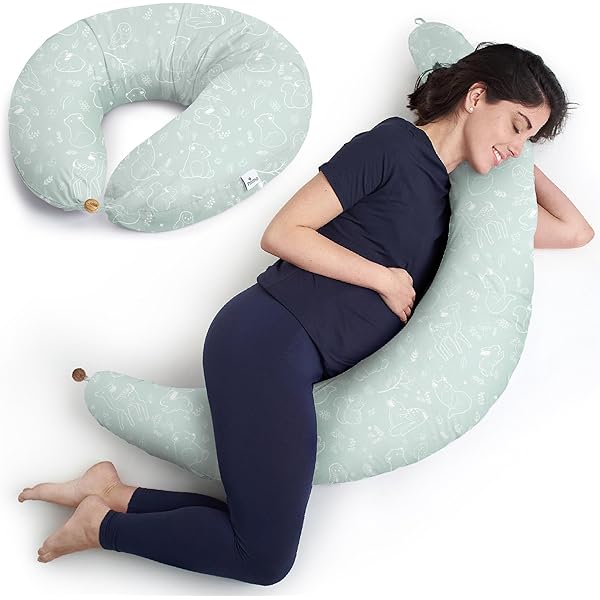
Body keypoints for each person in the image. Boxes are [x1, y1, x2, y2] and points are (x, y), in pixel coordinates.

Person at [17, 42, 590, 586]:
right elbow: (283, 231)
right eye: (517, 124)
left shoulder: (457, 205)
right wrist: (383, 278)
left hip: (293, 361)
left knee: (256, 533)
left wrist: (518, 163)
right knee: (264, 559)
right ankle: (102, 527)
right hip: (266, 340)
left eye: (530, 137)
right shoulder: (393, 145)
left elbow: (575, 231)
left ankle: (109, 495)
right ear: (476, 96)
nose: (518, 145)